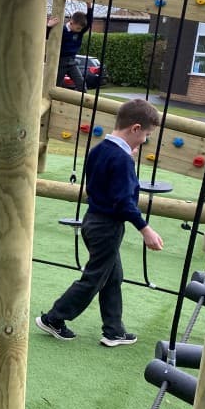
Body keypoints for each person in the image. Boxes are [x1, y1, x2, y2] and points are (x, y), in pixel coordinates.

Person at [36, 98, 164, 347]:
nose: (145, 141)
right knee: (95, 277)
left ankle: (113, 330)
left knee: (112, 276)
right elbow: (124, 202)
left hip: (92, 221)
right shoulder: (121, 160)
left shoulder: (99, 150)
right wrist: (145, 229)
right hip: (107, 227)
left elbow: (100, 186)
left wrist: (128, 158)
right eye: (146, 134)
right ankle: (53, 318)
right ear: (135, 128)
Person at [47, 2, 94, 91]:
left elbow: (89, 22)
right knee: (55, 87)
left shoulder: (79, 31)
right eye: (78, 28)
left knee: (82, 86)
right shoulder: (61, 30)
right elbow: (46, 37)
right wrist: (48, 27)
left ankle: (79, 103)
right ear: (71, 22)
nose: (79, 31)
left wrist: (89, 6)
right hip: (60, 62)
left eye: (80, 29)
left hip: (72, 62)